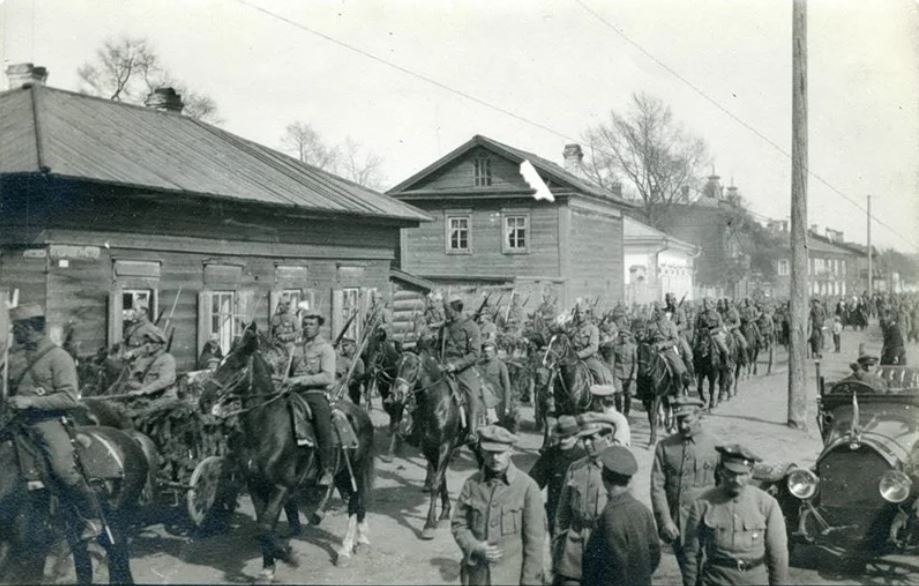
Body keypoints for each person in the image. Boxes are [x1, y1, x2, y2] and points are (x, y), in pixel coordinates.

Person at [6, 303, 105, 543]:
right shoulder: (15, 356)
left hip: (47, 422)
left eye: (16, 328)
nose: (13, 333)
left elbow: (69, 397)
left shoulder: (59, 357)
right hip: (15, 421)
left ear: (29, 327)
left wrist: (30, 402)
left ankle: (93, 518)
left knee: (63, 469)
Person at [682, 444, 789, 586]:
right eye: (731, 473)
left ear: (751, 473)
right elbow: (691, 553)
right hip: (715, 581)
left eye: (742, 474)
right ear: (721, 471)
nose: (736, 480)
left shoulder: (767, 504)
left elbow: (778, 555)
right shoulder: (703, 504)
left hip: (754, 581)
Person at [451, 425, 546, 586]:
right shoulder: (472, 484)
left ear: (511, 450)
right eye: (489, 452)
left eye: (500, 452)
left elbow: (534, 543)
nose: (495, 458)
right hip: (478, 577)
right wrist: (475, 547)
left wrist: (530, 581)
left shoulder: (527, 487)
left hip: (511, 577)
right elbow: (459, 524)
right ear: (481, 452)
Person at [650, 396, 720, 583]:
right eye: (678, 420)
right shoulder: (665, 447)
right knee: (689, 576)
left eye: (686, 420)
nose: (682, 425)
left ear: (699, 415)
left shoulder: (715, 447)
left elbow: (723, 488)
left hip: (708, 524)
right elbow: (657, 487)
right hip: (678, 525)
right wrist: (665, 521)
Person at [582, 445, 661, 586]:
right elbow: (654, 553)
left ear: (603, 478)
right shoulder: (642, 510)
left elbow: (610, 565)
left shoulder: (609, 516)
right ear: (629, 480)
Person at [553, 419, 618, 585]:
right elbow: (562, 513)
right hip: (573, 549)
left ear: (608, 438)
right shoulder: (575, 468)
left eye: (593, 438)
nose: (587, 443)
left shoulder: (618, 471)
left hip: (604, 546)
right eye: (584, 439)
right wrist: (558, 546)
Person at [288, 311, 337, 486]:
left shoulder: (325, 349)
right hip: (292, 392)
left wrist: (301, 380)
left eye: (311, 324)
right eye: (305, 324)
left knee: (322, 424)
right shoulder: (296, 347)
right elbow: (289, 371)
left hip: (314, 393)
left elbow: (328, 377)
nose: (307, 327)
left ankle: (327, 469)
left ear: (318, 326)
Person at [529, 415, 586, 536]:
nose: (563, 441)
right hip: (554, 516)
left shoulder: (583, 458)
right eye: (560, 437)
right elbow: (533, 482)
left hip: (577, 518)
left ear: (576, 437)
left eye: (566, 437)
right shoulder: (550, 455)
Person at [438, 294, 484, 441]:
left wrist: (456, 365)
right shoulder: (444, 327)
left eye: (446, 308)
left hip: (464, 369)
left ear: (454, 309)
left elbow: (475, 354)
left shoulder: (471, 327)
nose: (444, 311)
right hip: (444, 366)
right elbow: (438, 347)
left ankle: (472, 431)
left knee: (472, 395)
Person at [647, 304, 690, 390]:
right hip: (653, 350)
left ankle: (678, 390)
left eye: (657, 312)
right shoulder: (651, 325)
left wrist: (663, 345)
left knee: (678, 369)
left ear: (662, 313)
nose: (656, 314)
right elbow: (648, 338)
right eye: (655, 312)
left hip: (667, 350)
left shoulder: (670, 324)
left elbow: (675, 340)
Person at [570, 304, 614, 385]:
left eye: (581, 313)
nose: (579, 315)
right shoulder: (572, 328)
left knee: (602, 374)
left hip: (587, 359)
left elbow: (593, 347)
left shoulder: (593, 329)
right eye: (577, 313)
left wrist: (579, 355)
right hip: (571, 357)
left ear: (586, 314)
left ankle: (606, 395)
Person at [477, 340, 513, 429]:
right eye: (485, 351)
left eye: (490, 351)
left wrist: (507, 406)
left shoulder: (501, 365)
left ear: (495, 353)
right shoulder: (478, 364)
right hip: (480, 399)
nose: (487, 354)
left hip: (496, 401)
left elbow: (507, 386)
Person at [694, 298, 729, 364]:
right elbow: (697, 326)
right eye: (705, 304)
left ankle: (727, 364)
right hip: (704, 336)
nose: (706, 306)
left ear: (711, 304)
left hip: (715, 335)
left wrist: (712, 331)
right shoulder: (701, 315)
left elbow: (720, 327)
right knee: (696, 349)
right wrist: (700, 331)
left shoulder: (717, 314)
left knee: (724, 349)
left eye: (707, 303)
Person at [611, 325, 637, 416]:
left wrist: (634, 373)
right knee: (617, 394)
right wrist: (612, 373)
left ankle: (626, 413)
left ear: (629, 337)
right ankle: (619, 413)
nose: (623, 338)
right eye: (621, 336)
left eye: (625, 336)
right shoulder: (616, 347)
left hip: (629, 373)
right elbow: (613, 361)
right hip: (618, 372)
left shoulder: (633, 347)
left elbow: (635, 362)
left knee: (628, 395)